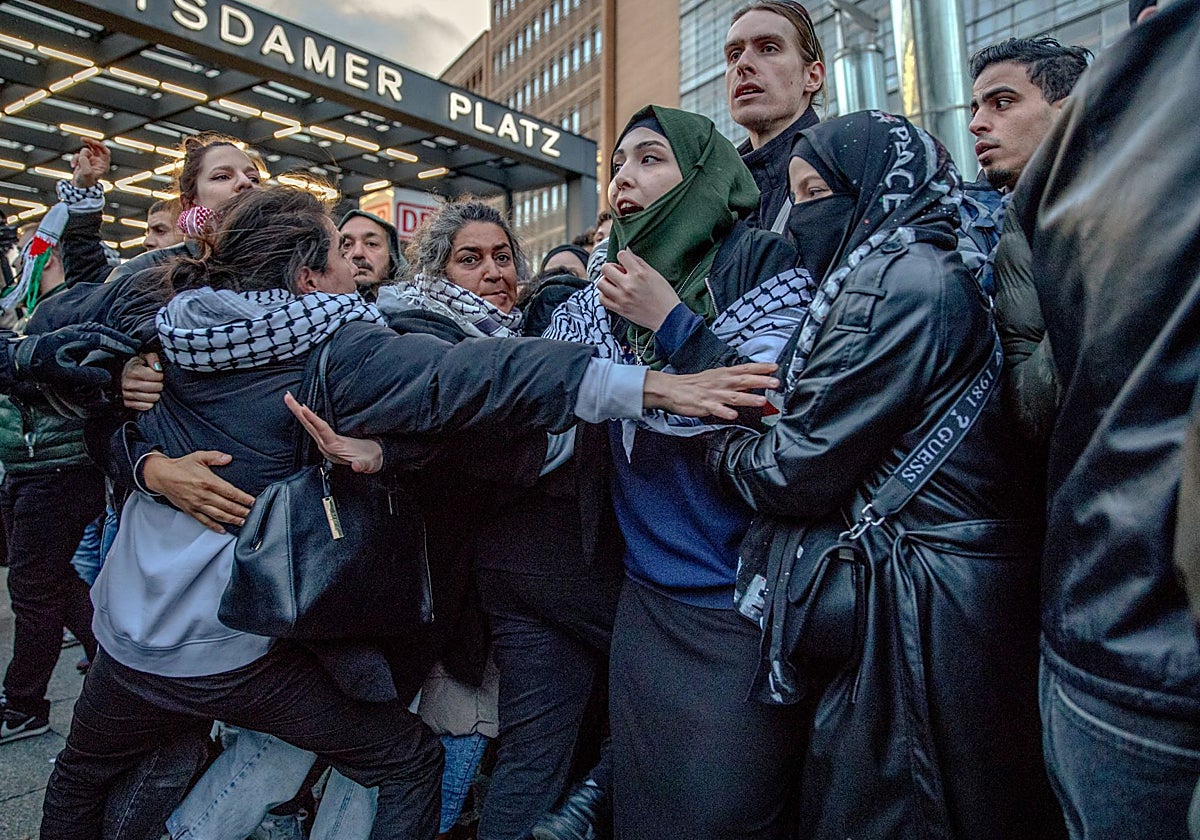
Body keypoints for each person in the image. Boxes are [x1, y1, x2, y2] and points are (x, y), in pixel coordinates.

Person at [40, 184, 778, 840]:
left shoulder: (166, 330)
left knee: (77, 777)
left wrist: (143, 459)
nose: (355, 268)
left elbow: (54, 351)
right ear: (306, 276)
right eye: (338, 254)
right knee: (412, 763)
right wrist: (651, 387)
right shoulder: (333, 352)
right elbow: (481, 375)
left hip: (125, 634)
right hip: (225, 652)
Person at [702, 110, 1061, 838]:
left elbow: (793, 469)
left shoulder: (891, 283)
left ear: (869, 190)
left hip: (923, 611)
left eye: (813, 195)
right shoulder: (929, 262)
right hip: (953, 593)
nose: (798, 217)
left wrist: (721, 442)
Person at [544, 104, 806, 838]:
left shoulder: (761, 263)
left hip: (739, 606)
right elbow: (541, 383)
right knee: (650, 808)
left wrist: (672, 322)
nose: (625, 176)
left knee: (725, 813)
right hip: (646, 598)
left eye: (651, 158)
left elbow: (778, 405)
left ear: (701, 175)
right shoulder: (601, 285)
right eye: (619, 163)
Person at [1011, 2, 1200, 836]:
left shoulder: (1082, 157)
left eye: (1003, 103)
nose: (980, 123)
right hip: (1131, 638)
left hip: (1103, 622)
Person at [0, 141, 132, 746]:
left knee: (33, 589)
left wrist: (25, 367)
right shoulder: (19, 311)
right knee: (57, 584)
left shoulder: (72, 305)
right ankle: (111, 658)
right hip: (24, 467)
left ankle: (24, 703)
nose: (27, 259)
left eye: (35, 250)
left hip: (62, 467)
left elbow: (68, 369)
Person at [966, 36, 1090, 442]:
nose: (976, 123)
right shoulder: (972, 223)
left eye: (1001, 103)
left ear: (1066, 110)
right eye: (976, 107)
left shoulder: (1129, 202)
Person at [725, 0, 825, 232]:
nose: (743, 64)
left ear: (812, 76)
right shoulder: (716, 197)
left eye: (768, 48)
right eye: (734, 54)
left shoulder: (844, 170)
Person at [339, 209, 407, 302]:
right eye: (347, 245)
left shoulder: (416, 307)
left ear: (392, 256)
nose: (358, 253)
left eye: (371, 243)